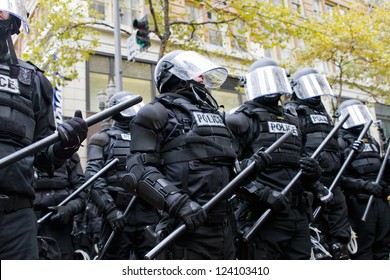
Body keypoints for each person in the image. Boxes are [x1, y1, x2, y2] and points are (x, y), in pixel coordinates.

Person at [122, 50, 269, 260]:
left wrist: (248, 169)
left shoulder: (217, 118)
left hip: (226, 225)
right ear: (172, 76)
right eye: (194, 73)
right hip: (187, 226)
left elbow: (228, 168)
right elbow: (139, 169)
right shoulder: (156, 112)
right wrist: (176, 202)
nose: (202, 78)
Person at [0, 2, 88, 259]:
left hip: (16, 221)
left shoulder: (34, 81)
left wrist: (65, 145)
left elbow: (43, 157)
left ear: (13, 22)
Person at [226, 58, 324, 259]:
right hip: (262, 215)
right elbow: (229, 171)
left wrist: (313, 173)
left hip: (297, 214)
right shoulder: (241, 119)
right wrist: (262, 194)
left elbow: (297, 162)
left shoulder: (293, 121)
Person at [286, 67, 351, 260]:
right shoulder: (293, 111)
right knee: (318, 242)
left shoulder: (323, 113)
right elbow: (294, 148)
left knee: (341, 242)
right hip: (311, 183)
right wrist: (315, 183)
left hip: (335, 181)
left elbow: (333, 145)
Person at [87, 91, 160, 260]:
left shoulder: (149, 140)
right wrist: (110, 209)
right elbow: (93, 178)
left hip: (147, 211)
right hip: (118, 211)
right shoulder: (102, 139)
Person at [337, 99, 390, 259]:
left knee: (384, 245)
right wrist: (364, 186)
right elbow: (339, 178)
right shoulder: (341, 141)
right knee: (364, 248)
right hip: (360, 202)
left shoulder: (372, 141)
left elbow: (377, 168)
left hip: (379, 200)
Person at [33, 152, 87, 260]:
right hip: (28, 221)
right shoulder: (19, 148)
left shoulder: (69, 155)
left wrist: (70, 208)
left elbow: (82, 192)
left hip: (60, 223)